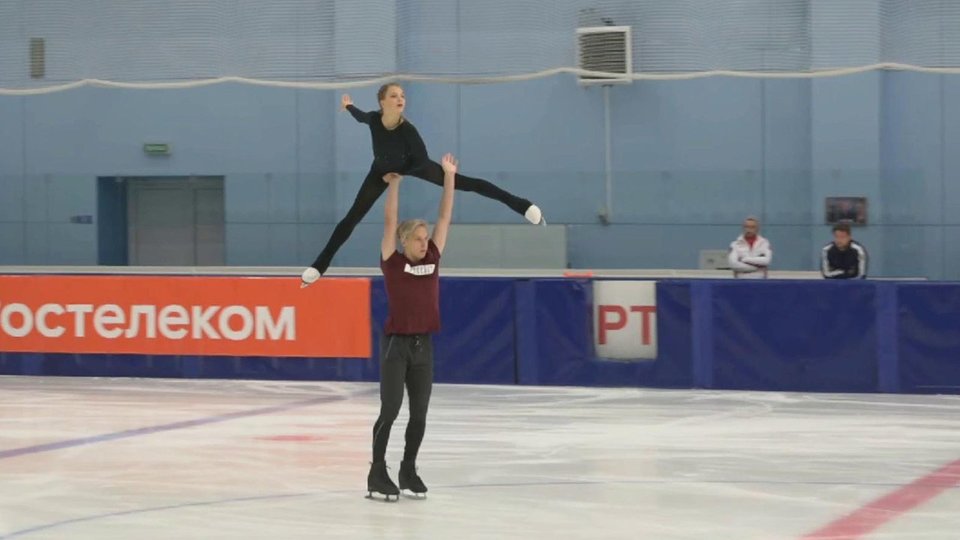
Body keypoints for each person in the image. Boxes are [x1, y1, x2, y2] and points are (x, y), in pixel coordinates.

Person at [301, 84, 544, 286]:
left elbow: (420, 160)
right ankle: (319, 266)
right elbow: (360, 116)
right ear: (382, 102)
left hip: (415, 165)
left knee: (467, 183)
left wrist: (401, 175)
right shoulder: (374, 119)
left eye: (402, 96)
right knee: (352, 217)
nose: (400, 99)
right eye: (394, 96)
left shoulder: (409, 131)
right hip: (380, 171)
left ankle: (523, 206)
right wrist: (348, 106)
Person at [366, 152, 458, 501]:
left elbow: (445, 216)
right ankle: (377, 472)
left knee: (419, 414)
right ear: (404, 241)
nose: (424, 242)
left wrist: (449, 176)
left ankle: (408, 469)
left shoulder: (433, 258)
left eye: (425, 237)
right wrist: (394, 185)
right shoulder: (392, 262)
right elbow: (389, 221)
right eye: (418, 238)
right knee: (390, 410)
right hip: (396, 346)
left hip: (423, 347)